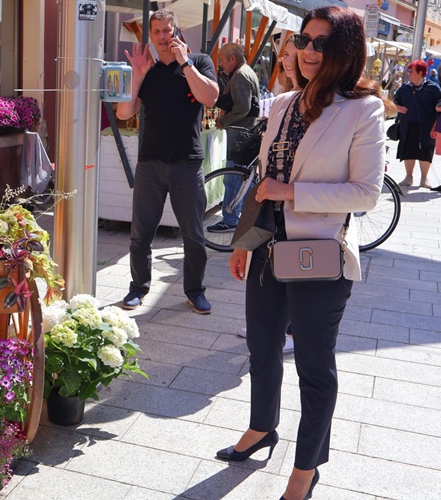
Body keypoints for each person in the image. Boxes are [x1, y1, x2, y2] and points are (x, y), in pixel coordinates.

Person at [223, 7, 386, 500]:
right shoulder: (284, 103)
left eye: (321, 43)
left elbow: (366, 193)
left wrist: (292, 192)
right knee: (262, 348)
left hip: (316, 250)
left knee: (314, 365)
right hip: (267, 245)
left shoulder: (362, 109)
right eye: (304, 40)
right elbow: (262, 178)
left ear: (345, 52)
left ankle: (307, 466)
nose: (309, 51)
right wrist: (243, 242)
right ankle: (262, 427)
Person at [116, 9, 219, 313]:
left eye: (167, 30)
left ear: (176, 31)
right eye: (157, 32)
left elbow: (210, 97)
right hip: (150, 164)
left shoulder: (199, 62)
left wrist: (185, 63)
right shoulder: (148, 70)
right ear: (150, 36)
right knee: (141, 235)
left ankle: (195, 291)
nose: (163, 37)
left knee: (194, 236)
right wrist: (137, 76)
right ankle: (138, 288)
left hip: (187, 162)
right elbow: (124, 114)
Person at [207, 43, 260, 233]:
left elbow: (242, 108)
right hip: (246, 132)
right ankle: (245, 217)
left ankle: (230, 219)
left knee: (233, 178)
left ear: (232, 59)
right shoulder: (245, 72)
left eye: (221, 59)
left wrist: (223, 121)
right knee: (244, 179)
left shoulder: (240, 75)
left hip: (241, 133)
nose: (220, 63)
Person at [392, 60, 441, 188]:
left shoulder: (433, 88)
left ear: (421, 73)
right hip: (407, 125)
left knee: (425, 151)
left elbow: (439, 107)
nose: (409, 74)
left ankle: (424, 179)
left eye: (411, 71)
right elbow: (395, 100)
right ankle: (408, 177)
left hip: (426, 126)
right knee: (408, 151)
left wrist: (435, 126)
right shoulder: (405, 87)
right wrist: (398, 107)